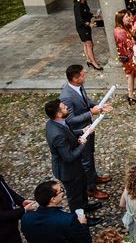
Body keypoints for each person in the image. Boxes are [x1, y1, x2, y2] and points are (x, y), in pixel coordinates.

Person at [60, 65, 112, 201]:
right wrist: (91, 113)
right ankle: (90, 187)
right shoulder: (66, 96)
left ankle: (94, 177)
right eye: (82, 75)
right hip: (80, 132)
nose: (85, 76)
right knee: (86, 161)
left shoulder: (79, 87)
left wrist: (98, 107)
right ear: (75, 79)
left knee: (90, 154)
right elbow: (70, 120)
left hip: (89, 127)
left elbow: (85, 100)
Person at [44, 100, 92, 214]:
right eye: (64, 108)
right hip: (68, 171)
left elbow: (68, 133)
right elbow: (69, 157)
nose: (67, 108)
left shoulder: (56, 122)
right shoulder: (57, 135)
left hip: (76, 167)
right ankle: (79, 218)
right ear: (58, 114)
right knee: (75, 197)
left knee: (82, 187)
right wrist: (82, 144)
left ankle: (86, 207)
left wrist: (82, 131)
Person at [20, 180, 92, 243]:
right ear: (53, 199)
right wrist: (83, 224)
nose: (63, 192)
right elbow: (85, 240)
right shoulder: (69, 220)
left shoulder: (26, 217)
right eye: (61, 190)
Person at [114, 9, 136, 104]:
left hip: (128, 56)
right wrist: (134, 31)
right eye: (126, 17)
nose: (129, 18)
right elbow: (131, 44)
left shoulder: (123, 28)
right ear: (120, 19)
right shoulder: (119, 31)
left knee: (130, 75)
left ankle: (131, 95)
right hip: (130, 57)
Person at [0, 174, 36, 243]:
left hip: (11, 226)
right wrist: (23, 210)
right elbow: (1, 215)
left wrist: (22, 201)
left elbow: (7, 191)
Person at [73, 0, 102, 71]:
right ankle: (94, 63)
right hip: (82, 27)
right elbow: (79, 18)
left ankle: (89, 60)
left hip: (86, 26)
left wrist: (94, 15)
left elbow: (86, 13)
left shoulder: (84, 2)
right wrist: (88, 24)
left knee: (86, 44)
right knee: (89, 44)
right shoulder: (77, 5)